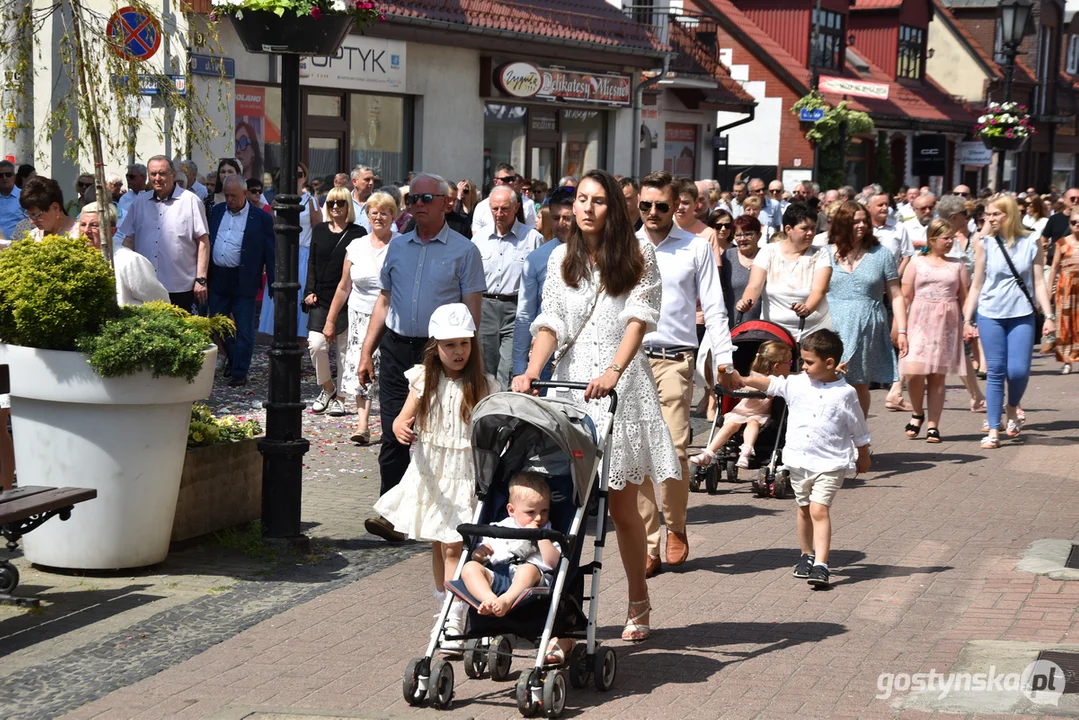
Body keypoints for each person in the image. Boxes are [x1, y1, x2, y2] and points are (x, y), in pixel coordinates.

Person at [512, 169, 682, 643]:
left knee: (622, 507)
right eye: (581, 199)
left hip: (617, 387)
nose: (586, 208)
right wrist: (531, 370)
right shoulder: (562, 256)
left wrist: (615, 370)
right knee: (563, 503)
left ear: (615, 207)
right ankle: (562, 612)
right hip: (568, 387)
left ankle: (637, 599)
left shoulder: (639, 252)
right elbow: (551, 322)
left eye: (598, 200)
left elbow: (638, 319)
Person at [358, 174, 486, 543]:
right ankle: (390, 514)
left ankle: (441, 512)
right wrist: (367, 350)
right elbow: (383, 301)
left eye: (424, 198)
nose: (415, 204)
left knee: (441, 435)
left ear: (446, 202)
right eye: (411, 198)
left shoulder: (464, 251)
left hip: (441, 353)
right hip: (397, 347)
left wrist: (464, 357)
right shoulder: (397, 248)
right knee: (393, 430)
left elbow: (471, 314)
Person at [373, 302, 497, 649]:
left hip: (465, 474)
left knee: (455, 546)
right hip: (434, 474)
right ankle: (445, 606)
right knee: (439, 544)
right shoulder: (425, 378)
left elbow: (494, 429)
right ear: (435, 347)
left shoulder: (484, 384)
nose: (458, 352)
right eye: (449, 345)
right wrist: (400, 427)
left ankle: (454, 618)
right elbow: (401, 418)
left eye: (464, 344)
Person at [633, 170, 736, 576]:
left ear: (677, 205)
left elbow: (713, 307)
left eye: (661, 205)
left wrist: (724, 360)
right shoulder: (625, 245)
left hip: (676, 359)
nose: (653, 212)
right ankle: (651, 541)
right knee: (636, 458)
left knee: (674, 450)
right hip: (631, 361)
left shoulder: (695, 248)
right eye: (646, 205)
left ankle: (676, 525)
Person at [742, 329, 870, 588]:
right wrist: (741, 380)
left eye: (809, 362)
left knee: (818, 509)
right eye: (802, 361)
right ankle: (806, 555)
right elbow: (772, 384)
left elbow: (859, 427)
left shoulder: (845, 394)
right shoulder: (797, 382)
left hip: (830, 462)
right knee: (803, 509)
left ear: (830, 363)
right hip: (799, 459)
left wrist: (863, 455)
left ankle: (822, 564)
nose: (804, 366)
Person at [964, 196, 1054, 448]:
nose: (989, 219)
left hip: (1022, 314)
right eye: (987, 215)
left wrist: (1048, 316)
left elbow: (1038, 282)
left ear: (1009, 215)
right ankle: (993, 430)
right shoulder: (984, 242)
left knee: (1018, 371)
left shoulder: (1032, 240)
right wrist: (967, 318)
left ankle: (1011, 407)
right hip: (990, 313)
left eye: (995, 215)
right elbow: (977, 284)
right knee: (995, 371)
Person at [323, 190, 397, 444]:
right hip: (358, 317)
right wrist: (331, 320)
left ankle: (391, 424)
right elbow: (344, 286)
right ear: (367, 215)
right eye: (374, 213)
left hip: (391, 317)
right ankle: (363, 425)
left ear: (392, 216)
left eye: (384, 213)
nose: (378, 218)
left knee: (387, 370)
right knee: (359, 367)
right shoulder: (355, 246)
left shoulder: (400, 244)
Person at [826, 201, 909, 417]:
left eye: (864, 221)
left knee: (859, 384)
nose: (862, 225)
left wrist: (901, 330)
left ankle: (859, 438)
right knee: (830, 382)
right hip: (832, 326)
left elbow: (896, 295)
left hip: (867, 325)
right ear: (842, 224)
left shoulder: (881, 254)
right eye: (855, 221)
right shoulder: (825, 253)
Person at [899, 219, 969, 442]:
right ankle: (917, 412)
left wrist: (969, 323)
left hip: (946, 323)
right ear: (932, 239)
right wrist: (898, 328)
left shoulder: (957, 265)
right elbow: (904, 296)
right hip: (919, 319)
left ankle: (933, 425)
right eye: (945, 238)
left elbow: (965, 298)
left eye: (952, 237)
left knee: (938, 375)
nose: (950, 241)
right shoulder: (916, 264)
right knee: (914, 371)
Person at [460, 471, 561, 617]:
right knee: (470, 567)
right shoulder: (498, 527)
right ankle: (490, 600)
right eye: (531, 512)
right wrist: (479, 554)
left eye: (544, 511)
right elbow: (481, 555)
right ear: (511, 510)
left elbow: (555, 563)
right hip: (499, 575)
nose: (539, 517)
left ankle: (506, 600)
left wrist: (541, 537)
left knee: (527, 569)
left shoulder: (548, 531)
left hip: (530, 582)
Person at [207, 175, 275, 388]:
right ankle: (234, 358)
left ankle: (239, 372)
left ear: (245, 194)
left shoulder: (260, 218)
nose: (230, 199)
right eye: (226, 195)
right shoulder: (216, 211)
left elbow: (270, 252)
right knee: (217, 324)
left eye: (234, 196)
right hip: (218, 277)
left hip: (244, 278)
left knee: (244, 328)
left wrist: (272, 282)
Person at [474, 186, 544, 390]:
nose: (499, 214)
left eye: (504, 209)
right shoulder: (479, 238)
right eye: (494, 209)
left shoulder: (532, 239)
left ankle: (504, 416)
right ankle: (486, 414)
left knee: (510, 367)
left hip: (517, 310)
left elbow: (542, 284)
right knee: (485, 368)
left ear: (516, 208)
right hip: (485, 307)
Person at [305, 186, 367, 415]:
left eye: (340, 202)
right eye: (330, 202)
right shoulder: (319, 230)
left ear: (348, 206)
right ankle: (328, 387)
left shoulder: (358, 232)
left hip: (348, 298)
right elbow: (312, 262)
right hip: (321, 297)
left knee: (344, 351)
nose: (334, 207)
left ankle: (341, 397)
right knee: (316, 345)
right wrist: (309, 290)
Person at [119, 156, 210, 311]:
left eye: (162, 173)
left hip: (180, 286)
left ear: (173, 175)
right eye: (153, 174)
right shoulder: (139, 203)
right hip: (147, 285)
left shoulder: (191, 201)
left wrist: (201, 279)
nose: (157, 178)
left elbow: (203, 241)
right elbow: (128, 239)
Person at [737, 203, 833, 339]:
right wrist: (746, 302)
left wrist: (807, 309)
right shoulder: (768, 251)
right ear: (788, 229)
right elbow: (754, 286)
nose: (811, 233)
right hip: (774, 332)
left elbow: (819, 291)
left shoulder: (821, 253)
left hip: (812, 332)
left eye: (813, 228)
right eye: (805, 228)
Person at [690, 340, 792, 468]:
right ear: (777, 366)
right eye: (789, 362)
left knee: (753, 422)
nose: (790, 366)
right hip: (742, 410)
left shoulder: (779, 382)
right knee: (730, 424)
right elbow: (745, 385)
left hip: (759, 414)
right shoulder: (755, 376)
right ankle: (709, 452)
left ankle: (746, 451)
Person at [513, 187, 575, 380]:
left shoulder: (598, 256)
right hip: (545, 355)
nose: (561, 224)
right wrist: (520, 365)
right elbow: (525, 313)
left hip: (581, 352)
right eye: (555, 218)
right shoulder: (537, 258)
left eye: (567, 217)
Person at [257, 163, 321, 341]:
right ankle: (279, 344)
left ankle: (298, 352)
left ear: (305, 177)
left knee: (300, 303)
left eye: (300, 174)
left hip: (303, 256)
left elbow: (318, 231)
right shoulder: (278, 200)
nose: (296, 178)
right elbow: (273, 231)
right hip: (282, 255)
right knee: (279, 300)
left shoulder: (311, 201)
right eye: (292, 174)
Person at [937, 195, 987, 412]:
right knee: (927, 350)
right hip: (940, 302)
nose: (967, 219)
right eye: (965, 215)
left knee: (958, 350)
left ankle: (976, 396)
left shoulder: (952, 237)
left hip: (950, 301)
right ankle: (976, 396)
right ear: (955, 217)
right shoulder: (942, 236)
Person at [79, 202, 169, 306]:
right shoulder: (75, 258)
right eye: (82, 224)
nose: (86, 230)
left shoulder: (129, 261)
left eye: (94, 225)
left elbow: (160, 303)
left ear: (112, 231)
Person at [1049, 207, 1079, 373]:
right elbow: (1054, 268)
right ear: (1070, 223)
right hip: (1065, 286)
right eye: (1074, 222)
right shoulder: (1061, 242)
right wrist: (1049, 289)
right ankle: (1066, 360)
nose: (1077, 225)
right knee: (1065, 323)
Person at [721, 215, 765, 325]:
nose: (742, 239)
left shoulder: (767, 255)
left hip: (764, 325)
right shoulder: (728, 257)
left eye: (748, 234)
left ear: (759, 235)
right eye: (738, 235)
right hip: (734, 324)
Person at [472, 164, 537, 235]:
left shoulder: (527, 204)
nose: (511, 182)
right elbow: (476, 236)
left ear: (516, 207)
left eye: (513, 179)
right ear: (496, 182)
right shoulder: (482, 207)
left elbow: (531, 232)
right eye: (506, 179)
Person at [673, 179, 719, 250]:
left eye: (685, 203)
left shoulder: (709, 234)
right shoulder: (662, 228)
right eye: (677, 202)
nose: (680, 207)